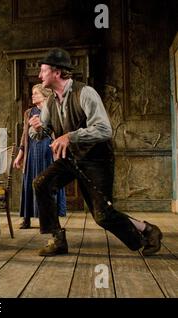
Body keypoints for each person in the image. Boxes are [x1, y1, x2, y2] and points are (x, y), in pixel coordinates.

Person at [29, 48, 162, 256]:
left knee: (103, 216)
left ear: (56, 72)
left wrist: (70, 136)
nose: (39, 75)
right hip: (71, 159)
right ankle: (57, 238)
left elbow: (104, 129)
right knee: (41, 183)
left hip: (96, 159)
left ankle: (148, 231)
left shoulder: (85, 93)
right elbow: (40, 133)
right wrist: (35, 128)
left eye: (43, 71)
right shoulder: (50, 102)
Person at [13, 84, 66, 229]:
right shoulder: (29, 112)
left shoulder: (53, 109)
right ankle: (26, 218)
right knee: (29, 183)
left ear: (44, 95)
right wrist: (20, 156)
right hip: (32, 152)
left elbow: (59, 131)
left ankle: (51, 220)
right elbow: (25, 136)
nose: (33, 96)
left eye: (35, 93)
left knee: (49, 184)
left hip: (48, 151)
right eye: (32, 93)